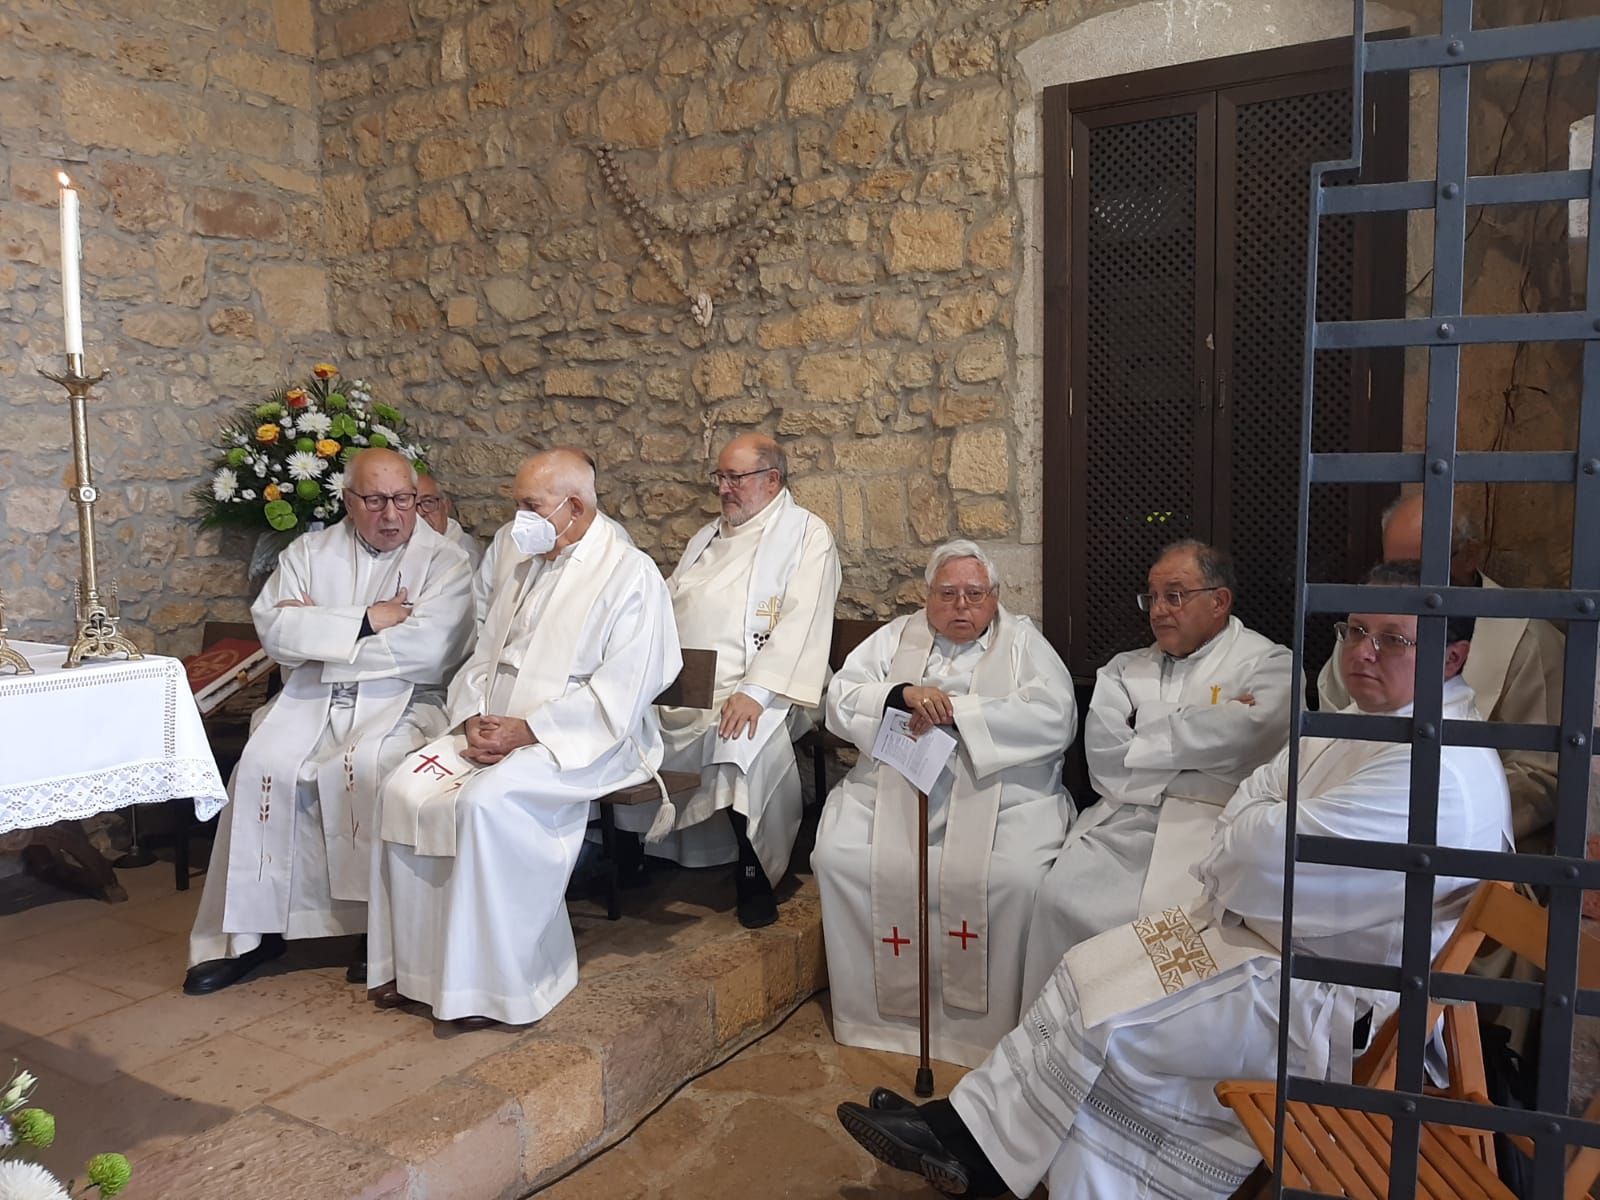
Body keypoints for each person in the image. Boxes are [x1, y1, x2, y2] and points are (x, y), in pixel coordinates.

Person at [836, 560, 1513, 1199]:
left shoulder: (1437, 770)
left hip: (1333, 1001)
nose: (1363, 653)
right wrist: (1247, 819)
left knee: (1114, 1020)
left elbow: (1260, 845)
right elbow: (1249, 793)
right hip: (1275, 938)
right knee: (1085, 966)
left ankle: (998, 1152)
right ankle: (971, 1134)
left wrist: (1247, 823)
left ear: (1452, 659)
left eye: (1391, 639)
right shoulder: (1375, 719)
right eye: (1355, 632)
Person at [367, 449, 680, 1029]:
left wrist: (530, 730)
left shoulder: (629, 574)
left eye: (530, 506)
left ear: (575, 507)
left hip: (587, 736)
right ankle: (417, 971)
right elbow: (487, 651)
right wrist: (473, 717)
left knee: (487, 804)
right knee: (402, 789)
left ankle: (498, 984)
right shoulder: (527, 558)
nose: (519, 519)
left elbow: (626, 686)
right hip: (499, 725)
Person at [185, 448, 475, 994]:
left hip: (405, 700)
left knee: (372, 767)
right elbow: (274, 632)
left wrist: (321, 635)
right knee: (260, 768)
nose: (391, 514)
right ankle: (254, 931)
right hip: (310, 702)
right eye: (374, 500)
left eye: (404, 499)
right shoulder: (310, 552)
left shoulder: (446, 562)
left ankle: (374, 932)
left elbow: (431, 650)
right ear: (348, 500)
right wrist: (369, 619)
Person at [813, 541, 1077, 1068]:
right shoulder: (896, 637)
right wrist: (901, 695)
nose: (962, 606)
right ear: (927, 595)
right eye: (948, 593)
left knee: (1014, 879)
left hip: (997, 797)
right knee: (840, 858)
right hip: (896, 788)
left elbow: (1055, 715)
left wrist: (960, 714)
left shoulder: (1023, 641)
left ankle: (984, 1035)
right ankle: (873, 1019)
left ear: (995, 596)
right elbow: (840, 698)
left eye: (975, 594)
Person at [1022, 539, 1293, 1004]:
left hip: (1215, 829)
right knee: (1057, 897)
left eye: (1175, 595)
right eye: (1152, 597)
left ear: (1219, 601)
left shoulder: (1272, 663)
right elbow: (1106, 759)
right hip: (1125, 823)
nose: (1159, 610)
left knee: (1179, 927)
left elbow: (1251, 735)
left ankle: (1146, 1067)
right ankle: (1057, 1051)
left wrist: (1144, 723)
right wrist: (1209, 735)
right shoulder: (1125, 668)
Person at [612, 433, 840, 927]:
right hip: (686, 688)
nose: (724, 489)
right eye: (721, 477)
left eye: (735, 478)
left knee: (740, 739)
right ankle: (628, 855)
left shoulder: (807, 535)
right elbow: (670, 601)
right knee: (617, 727)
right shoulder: (707, 536)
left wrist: (755, 692)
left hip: (773, 683)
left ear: (772, 480)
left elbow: (804, 620)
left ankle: (755, 869)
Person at [1320, 493, 1563, 850]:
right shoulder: (1363, 631)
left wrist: (1424, 809)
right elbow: (1329, 728)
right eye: (1395, 566)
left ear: (1469, 555)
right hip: (1350, 821)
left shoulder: (1525, 639)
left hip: (1457, 845)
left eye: (1421, 565)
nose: (1407, 583)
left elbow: (1540, 776)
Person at [415, 472, 484, 570]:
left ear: (446, 506)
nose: (419, 512)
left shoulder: (467, 555)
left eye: (428, 502)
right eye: (411, 504)